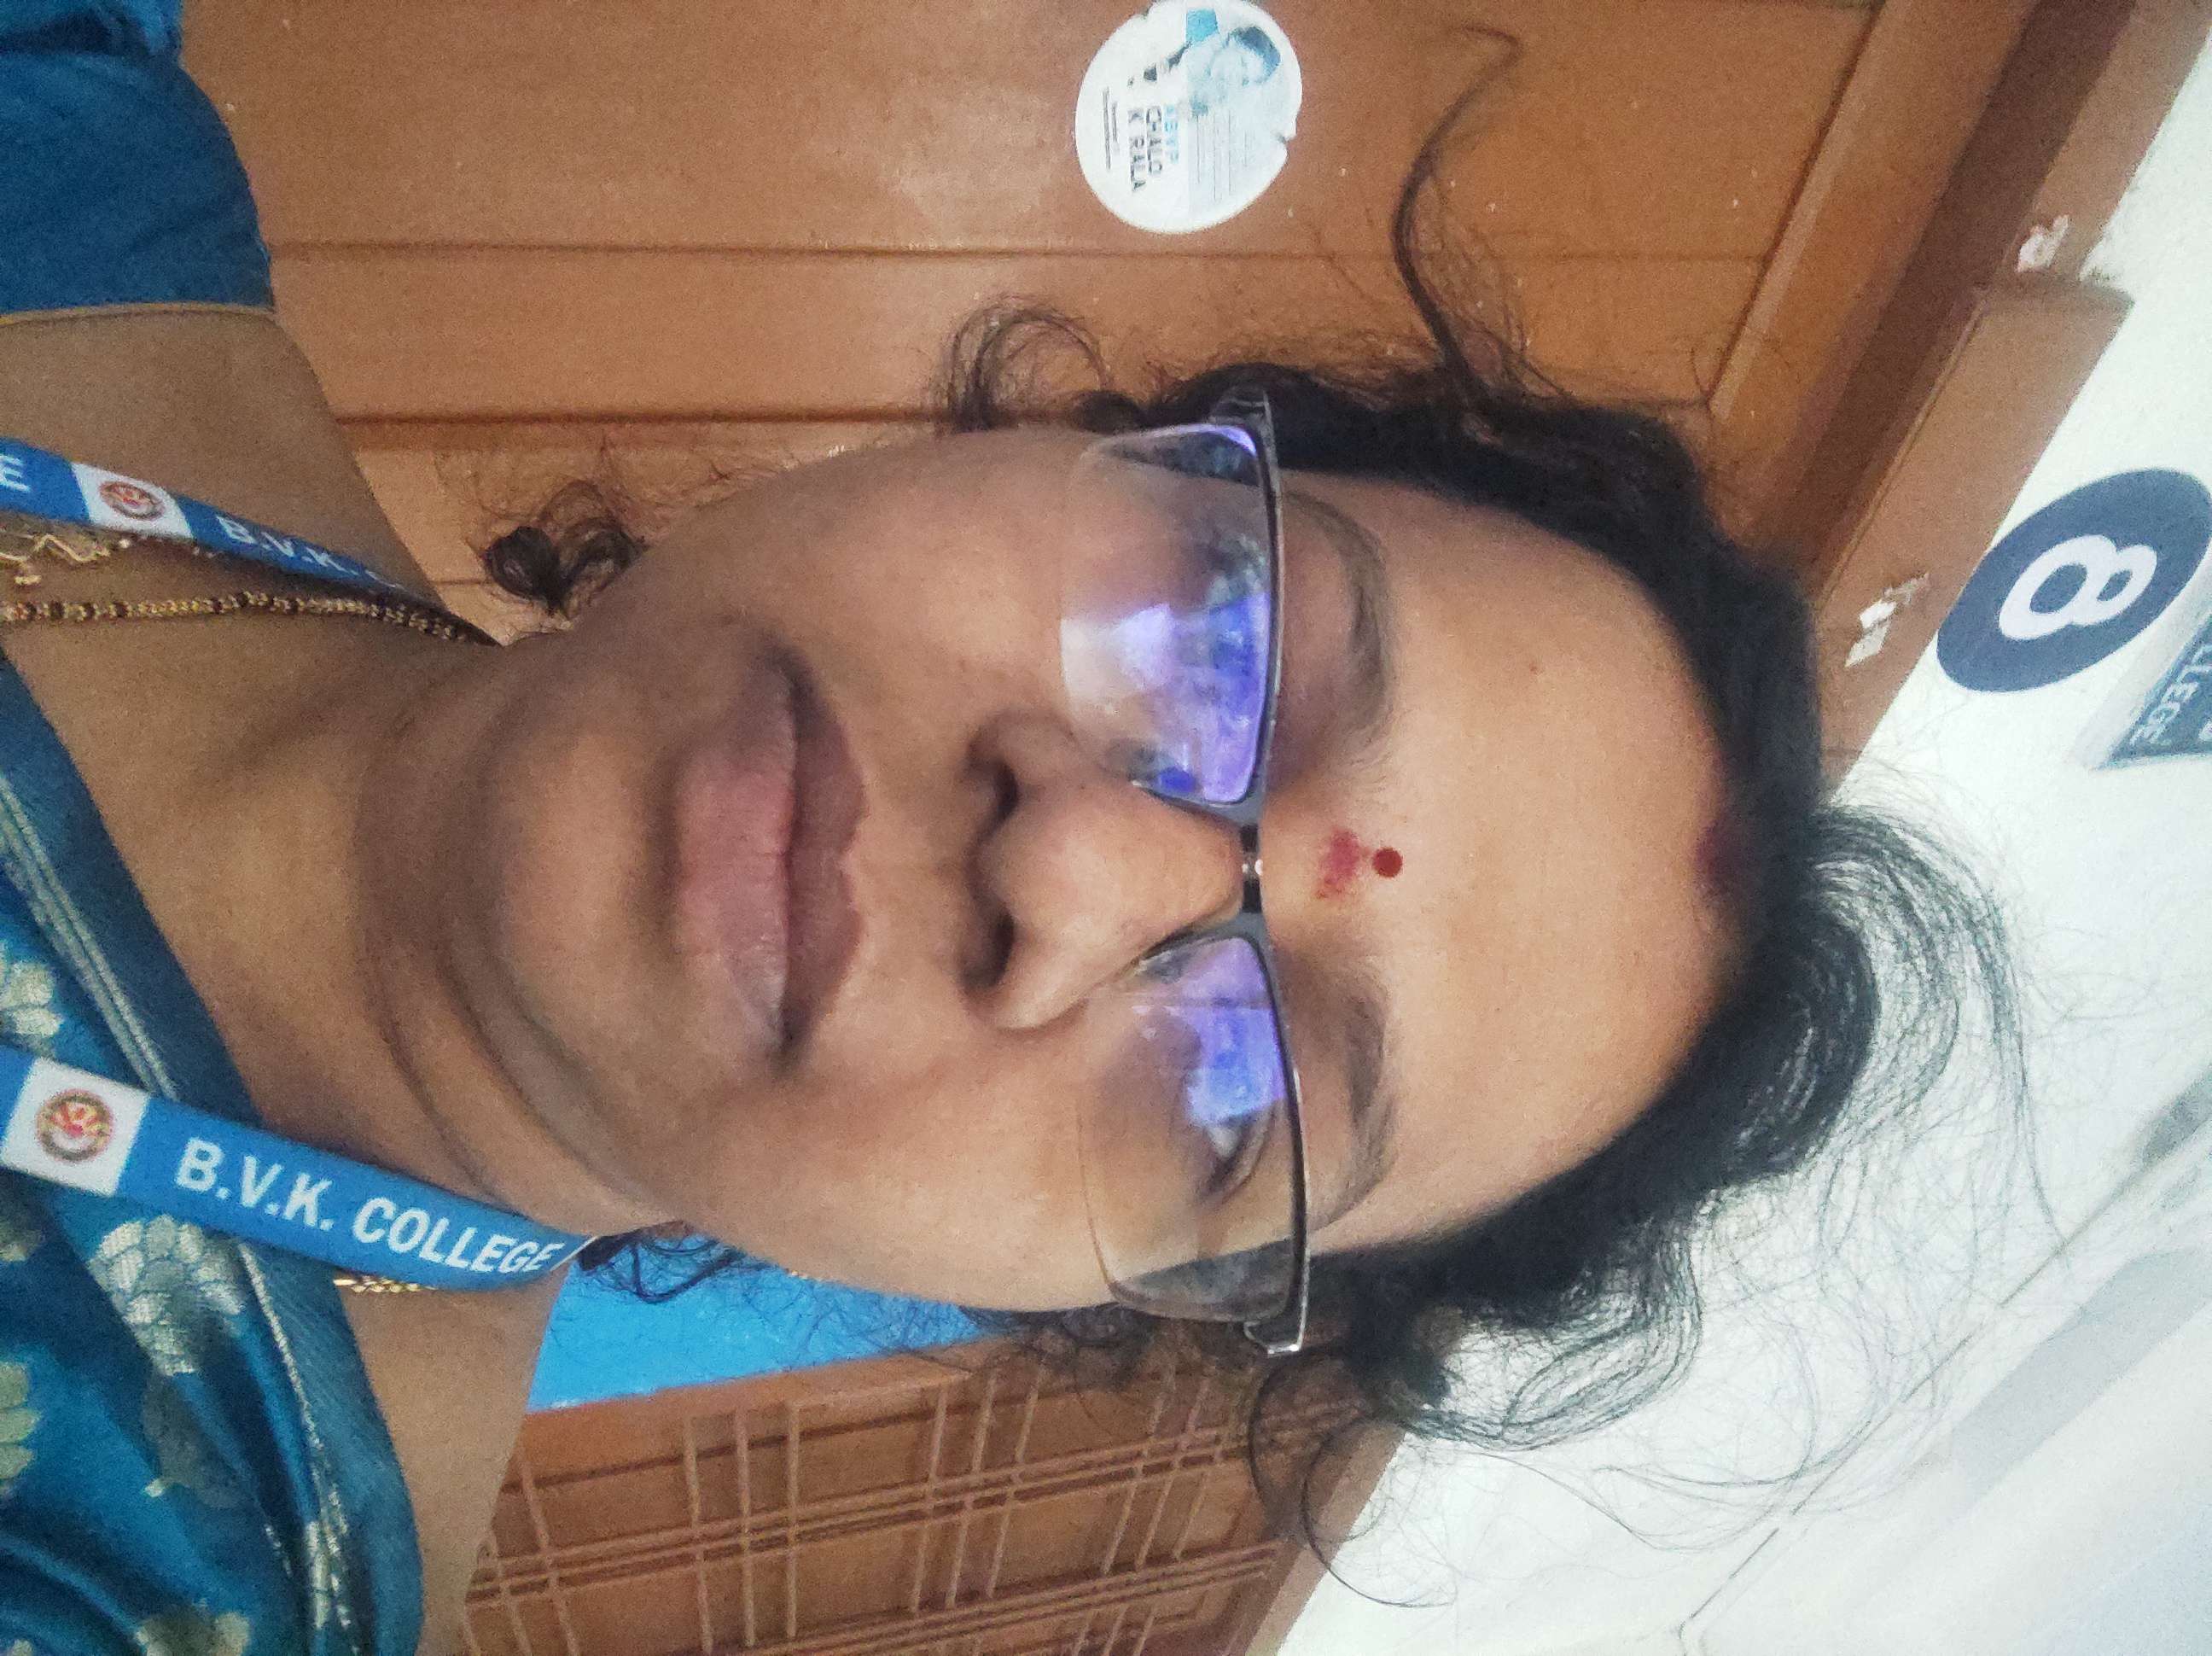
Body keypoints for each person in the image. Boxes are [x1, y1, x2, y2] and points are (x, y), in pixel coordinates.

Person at [0, 7, 2028, 1655]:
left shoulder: (163, 1578)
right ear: (1058, 441)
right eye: (1226, 630)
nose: (1069, 868)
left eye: (1243, 1092)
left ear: (1050, 1292)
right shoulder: (76, 126)